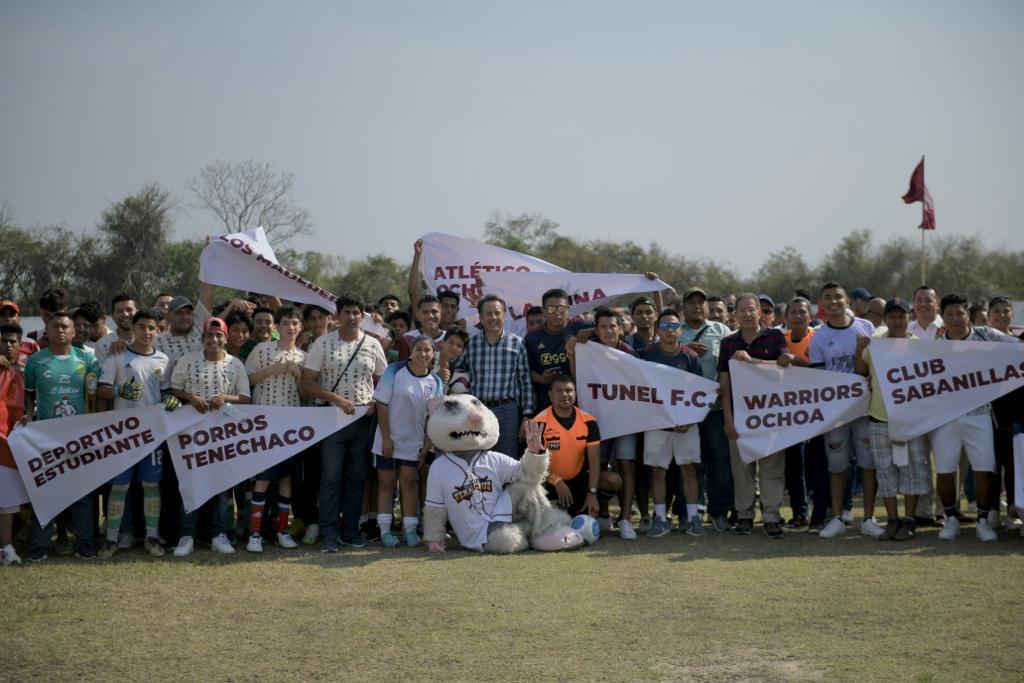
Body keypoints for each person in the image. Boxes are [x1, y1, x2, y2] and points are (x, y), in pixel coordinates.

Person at [302, 292, 387, 553]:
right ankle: (329, 534)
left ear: (363, 317)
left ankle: (350, 532)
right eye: (346, 312)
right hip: (331, 419)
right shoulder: (322, 344)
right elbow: (306, 382)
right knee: (330, 477)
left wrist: (375, 401)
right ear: (337, 316)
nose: (351, 317)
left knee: (356, 477)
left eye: (356, 313)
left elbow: (384, 380)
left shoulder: (373, 344)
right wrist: (334, 398)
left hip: (363, 420)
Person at [933, 293, 1019, 542]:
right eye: (949, 314)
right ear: (943, 317)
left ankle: (983, 519)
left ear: (967, 315)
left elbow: (1017, 346)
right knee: (946, 470)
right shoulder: (934, 344)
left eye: (959, 313)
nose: (954, 319)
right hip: (945, 418)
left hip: (981, 415)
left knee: (984, 470)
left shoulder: (986, 335)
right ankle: (950, 518)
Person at [23, 311, 101, 561]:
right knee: (46, 491)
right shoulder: (35, 361)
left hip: (79, 435)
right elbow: (29, 395)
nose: (60, 331)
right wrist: (27, 414)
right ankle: (39, 546)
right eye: (55, 326)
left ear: (74, 332)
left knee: (82, 492)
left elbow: (96, 392)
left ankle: (84, 544)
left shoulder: (87, 358)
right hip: (46, 437)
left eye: (65, 327)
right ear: (47, 330)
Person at [169, 317, 251, 556]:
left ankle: (219, 534)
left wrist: (226, 397)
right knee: (191, 482)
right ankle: (187, 536)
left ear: (225, 339)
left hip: (224, 434)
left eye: (219, 336)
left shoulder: (235, 364)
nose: (214, 340)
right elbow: (174, 388)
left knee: (222, 485)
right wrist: (190, 397)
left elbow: (245, 397)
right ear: (202, 338)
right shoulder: (187, 361)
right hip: (192, 433)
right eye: (209, 336)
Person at [808, 282, 880, 540]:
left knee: (868, 464)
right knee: (837, 465)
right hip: (835, 413)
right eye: (828, 298)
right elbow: (818, 378)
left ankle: (869, 518)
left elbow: (877, 366)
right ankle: (837, 517)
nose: (834, 302)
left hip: (864, 409)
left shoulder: (866, 327)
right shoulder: (819, 336)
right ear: (822, 303)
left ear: (847, 300)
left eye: (838, 297)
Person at [720, 293, 794, 538]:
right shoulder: (728, 342)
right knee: (742, 469)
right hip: (739, 416)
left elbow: (781, 367)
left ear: (760, 313)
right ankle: (744, 516)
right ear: (735, 314)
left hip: (770, 415)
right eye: (742, 310)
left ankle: (772, 516)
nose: (747, 314)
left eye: (752, 310)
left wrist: (752, 362)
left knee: (772, 468)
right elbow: (724, 383)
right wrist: (728, 418)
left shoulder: (774, 336)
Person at [855, 298, 930, 541]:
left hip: (910, 420)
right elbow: (861, 371)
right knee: (885, 471)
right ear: (886, 319)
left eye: (902, 316)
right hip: (879, 418)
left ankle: (908, 520)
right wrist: (859, 350)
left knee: (913, 470)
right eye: (893, 316)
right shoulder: (875, 344)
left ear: (910, 318)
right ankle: (893, 520)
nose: (898, 320)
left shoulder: (920, 346)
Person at [96, 309, 169, 558]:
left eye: (151, 327)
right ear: (133, 328)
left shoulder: (163, 359)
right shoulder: (117, 354)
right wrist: (119, 391)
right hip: (123, 435)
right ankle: (111, 539)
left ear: (158, 330)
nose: (146, 332)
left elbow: (166, 394)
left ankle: (151, 536)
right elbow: (101, 389)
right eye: (142, 327)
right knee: (119, 487)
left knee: (151, 484)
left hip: (152, 434)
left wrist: (172, 403)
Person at [566, 307, 638, 536]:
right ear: (596, 330)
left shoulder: (630, 353)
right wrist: (572, 352)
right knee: (600, 465)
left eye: (612, 326)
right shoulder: (589, 349)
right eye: (603, 327)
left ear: (621, 328)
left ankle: (625, 519)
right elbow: (578, 379)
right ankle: (604, 514)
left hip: (626, 420)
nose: (608, 330)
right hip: (598, 420)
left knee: (627, 465)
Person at [243, 306, 307, 553]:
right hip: (264, 424)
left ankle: (281, 531)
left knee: (286, 481)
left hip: (290, 427)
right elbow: (245, 381)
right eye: (286, 323)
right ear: (277, 327)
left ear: (300, 327)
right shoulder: (261, 350)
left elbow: (306, 396)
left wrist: (298, 374)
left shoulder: (303, 356)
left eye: (295, 323)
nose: (291, 328)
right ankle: (254, 534)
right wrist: (269, 371)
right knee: (261, 480)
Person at [638, 309, 706, 537]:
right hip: (657, 424)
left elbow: (699, 392)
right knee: (657, 471)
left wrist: (690, 419)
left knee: (688, 469)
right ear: (658, 329)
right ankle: (660, 518)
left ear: (680, 329)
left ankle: (694, 518)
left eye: (674, 326)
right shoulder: (646, 354)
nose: (670, 330)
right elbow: (639, 390)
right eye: (665, 326)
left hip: (686, 424)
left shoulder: (690, 357)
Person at [371, 335, 444, 548]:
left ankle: (410, 530)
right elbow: (381, 405)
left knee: (410, 483)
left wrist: (428, 443)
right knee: (386, 484)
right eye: (418, 349)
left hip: (414, 443)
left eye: (427, 351)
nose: (422, 354)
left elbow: (434, 416)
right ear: (411, 352)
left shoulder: (436, 381)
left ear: (433, 355)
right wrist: (386, 437)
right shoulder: (394, 371)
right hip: (387, 440)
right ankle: (385, 531)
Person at [677, 287, 733, 532]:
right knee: (688, 462)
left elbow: (732, 366)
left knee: (719, 460)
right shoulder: (674, 330)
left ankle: (719, 512)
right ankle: (689, 511)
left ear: (708, 307)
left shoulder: (721, 331)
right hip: (685, 409)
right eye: (691, 302)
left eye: (701, 302)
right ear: (683, 307)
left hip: (717, 409)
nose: (697, 306)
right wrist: (686, 349)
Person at [453, 295, 534, 458]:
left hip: (507, 411)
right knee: (477, 457)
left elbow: (525, 382)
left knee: (506, 459)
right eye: (488, 314)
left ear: (504, 315)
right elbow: (457, 371)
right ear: (481, 318)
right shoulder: (470, 344)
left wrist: (527, 416)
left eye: (497, 313)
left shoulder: (517, 344)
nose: (493, 318)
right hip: (477, 409)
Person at [534, 375, 620, 518]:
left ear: (575, 393)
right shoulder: (538, 422)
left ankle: (597, 510)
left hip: (579, 480)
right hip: (549, 482)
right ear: (550, 395)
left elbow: (594, 462)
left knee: (612, 480)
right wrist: (556, 480)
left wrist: (592, 493)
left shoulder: (588, 420)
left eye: (569, 390)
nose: (564, 395)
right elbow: (535, 465)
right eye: (559, 391)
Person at [778, 296, 822, 530]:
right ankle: (799, 514)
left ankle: (823, 513)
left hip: (817, 412)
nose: (797, 316)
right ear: (785, 318)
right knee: (794, 468)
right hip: (788, 414)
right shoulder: (780, 340)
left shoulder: (817, 339)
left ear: (810, 316)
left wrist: (797, 361)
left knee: (817, 467)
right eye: (793, 312)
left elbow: (821, 370)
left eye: (802, 312)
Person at [524, 289, 593, 413]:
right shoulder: (532, 337)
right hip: (546, 401)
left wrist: (592, 331)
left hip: (579, 401)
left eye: (561, 308)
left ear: (568, 309)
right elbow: (528, 370)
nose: (557, 313)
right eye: (551, 309)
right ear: (544, 311)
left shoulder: (581, 327)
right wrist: (542, 378)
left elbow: (613, 328)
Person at [988, 295, 1022, 530]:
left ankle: (1013, 509)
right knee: (988, 464)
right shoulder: (975, 343)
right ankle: (990, 511)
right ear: (989, 316)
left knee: (1012, 464)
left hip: (1013, 414)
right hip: (983, 413)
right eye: (996, 311)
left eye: (1005, 311)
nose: (1001, 315)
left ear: (1012, 314)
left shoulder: (1019, 343)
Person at [0, 322, 25, 564]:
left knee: (6, 502)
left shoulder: (17, 374)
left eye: (12, 342)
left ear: (19, 347)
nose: (8, 345)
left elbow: (17, 411)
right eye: (4, 340)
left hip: (4, 445)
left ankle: (6, 548)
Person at [399, 295, 446, 360]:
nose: (430, 316)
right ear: (418, 315)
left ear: (441, 313)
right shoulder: (407, 338)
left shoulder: (450, 338)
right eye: (425, 312)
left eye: (434, 311)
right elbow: (404, 367)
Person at [94, 294, 136, 363]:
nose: (125, 314)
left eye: (129, 310)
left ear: (136, 312)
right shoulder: (102, 344)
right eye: (119, 311)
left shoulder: (148, 339)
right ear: (113, 316)